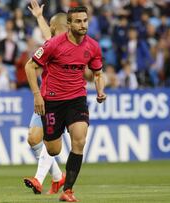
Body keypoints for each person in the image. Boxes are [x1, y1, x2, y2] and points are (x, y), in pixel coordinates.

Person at [25, 6, 106, 202]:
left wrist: (100, 89)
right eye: (78, 21)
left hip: (77, 99)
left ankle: (68, 191)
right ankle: (56, 177)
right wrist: (37, 95)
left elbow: (97, 73)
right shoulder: (54, 44)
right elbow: (30, 65)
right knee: (53, 150)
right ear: (68, 25)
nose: (83, 24)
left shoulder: (93, 46)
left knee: (79, 140)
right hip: (52, 101)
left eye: (85, 20)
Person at [23, 0, 67, 195]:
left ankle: (39, 179)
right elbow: (49, 36)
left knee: (50, 139)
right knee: (33, 139)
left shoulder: (72, 45)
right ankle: (58, 177)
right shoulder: (54, 43)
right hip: (45, 97)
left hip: (63, 100)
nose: (47, 29)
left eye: (50, 25)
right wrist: (40, 17)